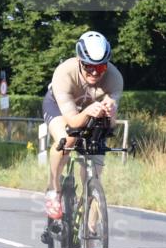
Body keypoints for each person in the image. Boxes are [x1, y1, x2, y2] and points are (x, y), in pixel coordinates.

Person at [40, 31, 123, 232]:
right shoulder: (64, 73)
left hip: (91, 112)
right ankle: (54, 189)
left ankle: (91, 233)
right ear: (79, 60)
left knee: (95, 172)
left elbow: (111, 126)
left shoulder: (114, 78)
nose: (95, 73)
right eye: (89, 66)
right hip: (60, 109)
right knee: (66, 140)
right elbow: (73, 121)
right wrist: (87, 111)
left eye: (101, 67)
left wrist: (111, 113)